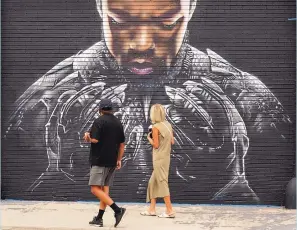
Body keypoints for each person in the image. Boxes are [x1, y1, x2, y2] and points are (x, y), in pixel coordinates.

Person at [4, 0, 291, 204]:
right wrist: (59, 173)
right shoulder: (46, 98)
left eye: (167, 23)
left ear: (190, 9)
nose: (141, 43)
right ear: (99, 7)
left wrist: (231, 182)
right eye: (118, 22)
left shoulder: (248, 98)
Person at [83, 98, 126, 227]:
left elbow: (95, 140)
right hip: (112, 160)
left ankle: (117, 210)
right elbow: (122, 145)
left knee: (95, 189)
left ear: (100, 109)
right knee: (104, 190)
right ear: (111, 109)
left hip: (99, 160)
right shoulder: (118, 122)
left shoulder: (99, 121)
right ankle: (99, 218)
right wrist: (119, 159)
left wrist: (87, 136)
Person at [141, 104, 175, 218]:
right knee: (153, 182)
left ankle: (169, 210)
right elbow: (172, 142)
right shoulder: (168, 125)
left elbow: (155, 145)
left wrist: (149, 138)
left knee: (162, 182)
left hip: (158, 158)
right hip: (166, 158)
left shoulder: (155, 127)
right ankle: (152, 209)